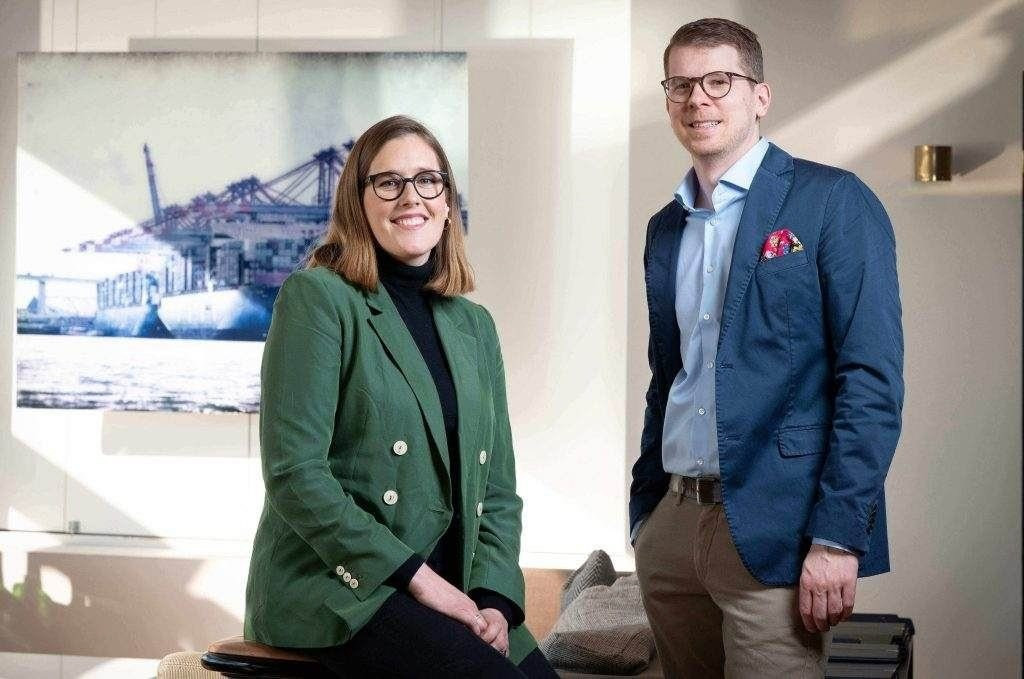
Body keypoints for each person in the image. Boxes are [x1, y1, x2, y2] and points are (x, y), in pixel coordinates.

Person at [630, 18, 904, 679]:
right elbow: (670, 377)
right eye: (681, 84)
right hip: (671, 525)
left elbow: (871, 381)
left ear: (760, 95)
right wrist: (645, 512)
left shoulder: (833, 201)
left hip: (776, 529)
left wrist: (839, 534)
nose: (699, 99)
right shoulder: (665, 228)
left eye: (719, 81)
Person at [244, 115, 558, 678]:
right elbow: (296, 475)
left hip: (458, 585)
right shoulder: (318, 298)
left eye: (427, 180)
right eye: (387, 182)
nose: (410, 197)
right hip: (344, 588)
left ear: (446, 198)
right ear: (358, 201)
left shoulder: (474, 325)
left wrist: (494, 598)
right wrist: (421, 580)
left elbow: (499, 491)